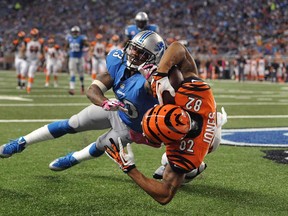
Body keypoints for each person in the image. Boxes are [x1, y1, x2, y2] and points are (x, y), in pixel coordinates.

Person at [0, 31, 165, 172]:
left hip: (131, 127)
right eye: (134, 48)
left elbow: (153, 86)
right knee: (73, 123)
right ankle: (21, 142)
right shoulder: (119, 63)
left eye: (141, 53)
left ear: (154, 59)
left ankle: (74, 158)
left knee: (101, 144)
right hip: (116, 109)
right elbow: (93, 90)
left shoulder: (154, 81)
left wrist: (154, 77)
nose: (134, 54)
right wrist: (104, 102)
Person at [104, 41, 227, 205]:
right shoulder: (196, 94)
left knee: (167, 163)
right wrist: (160, 75)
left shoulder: (186, 153)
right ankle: (186, 170)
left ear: (171, 141)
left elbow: (165, 195)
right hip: (205, 116)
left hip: (210, 140)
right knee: (172, 76)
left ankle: (195, 169)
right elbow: (178, 48)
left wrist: (129, 168)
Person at [65, 26, 90, 95]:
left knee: (81, 74)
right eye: (74, 32)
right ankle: (72, 89)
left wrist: (86, 46)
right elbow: (66, 46)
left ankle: (82, 85)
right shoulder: (69, 38)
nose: (75, 33)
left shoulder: (81, 38)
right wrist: (66, 53)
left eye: (76, 32)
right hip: (72, 58)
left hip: (80, 58)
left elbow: (88, 45)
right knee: (72, 73)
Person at [24, 28, 44, 93]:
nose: (34, 36)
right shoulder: (27, 41)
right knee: (24, 72)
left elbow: (42, 51)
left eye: (35, 35)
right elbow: (23, 48)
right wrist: (22, 55)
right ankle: (23, 84)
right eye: (33, 35)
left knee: (31, 73)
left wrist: (42, 57)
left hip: (35, 60)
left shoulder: (40, 42)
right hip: (27, 59)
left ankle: (29, 88)